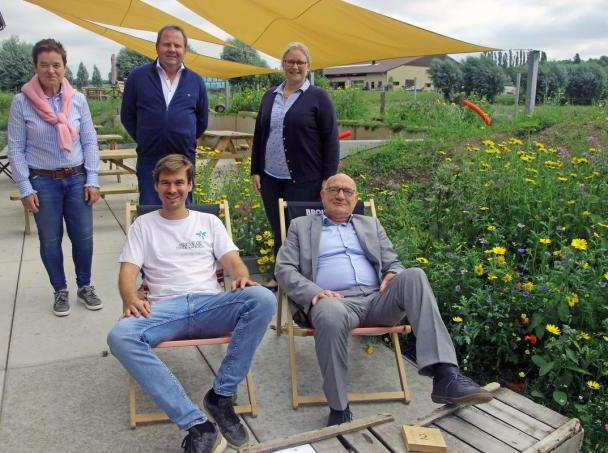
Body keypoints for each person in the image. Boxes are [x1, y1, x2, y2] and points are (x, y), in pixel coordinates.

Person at [275, 173, 493, 426]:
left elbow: (393, 262)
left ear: (356, 198)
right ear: (323, 195)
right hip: (335, 302)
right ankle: (339, 407)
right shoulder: (301, 226)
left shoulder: (371, 225)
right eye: (334, 189)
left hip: (378, 300)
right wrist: (314, 293)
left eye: (347, 191)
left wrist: (394, 272)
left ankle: (446, 375)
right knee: (330, 311)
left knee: (414, 275)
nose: (341, 195)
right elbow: (284, 268)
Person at [107, 155, 276, 453]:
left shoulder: (208, 222)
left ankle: (221, 396)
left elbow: (232, 260)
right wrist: (131, 297)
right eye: (165, 183)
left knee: (262, 298)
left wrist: (240, 276)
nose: (172, 189)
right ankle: (198, 425)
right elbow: (128, 271)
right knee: (120, 336)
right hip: (165, 309)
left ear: (190, 186)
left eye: (179, 182)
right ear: (156, 186)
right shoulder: (143, 225)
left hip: (209, 305)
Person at [8, 38, 102, 317]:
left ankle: (85, 286)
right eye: (44, 65)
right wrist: (25, 187)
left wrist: (92, 179)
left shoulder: (78, 100)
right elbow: (16, 148)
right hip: (42, 181)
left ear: (64, 66)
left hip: (77, 178)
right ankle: (60, 290)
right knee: (50, 240)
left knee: (83, 238)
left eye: (56, 65)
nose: (51, 70)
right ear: (35, 67)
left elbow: (89, 141)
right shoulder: (21, 102)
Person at [251, 42, 339, 289]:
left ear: (308, 66)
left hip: (305, 178)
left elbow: (331, 139)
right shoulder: (270, 95)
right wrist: (255, 169)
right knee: (278, 228)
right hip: (271, 177)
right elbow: (260, 134)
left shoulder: (318, 97)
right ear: (283, 65)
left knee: (300, 230)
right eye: (290, 61)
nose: (295, 66)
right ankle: (280, 277)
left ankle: (304, 280)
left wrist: (328, 177)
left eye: (300, 62)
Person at [121, 24, 208, 205]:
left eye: (177, 45)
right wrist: (147, 137)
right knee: (150, 210)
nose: (172, 49)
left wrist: (183, 137)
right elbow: (127, 116)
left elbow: (202, 121)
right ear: (157, 47)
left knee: (183, 212)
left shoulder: (196, 81)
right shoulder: (137, 78)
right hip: (149, 160)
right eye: (167, 44)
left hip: (183, 160)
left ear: (185, 50)